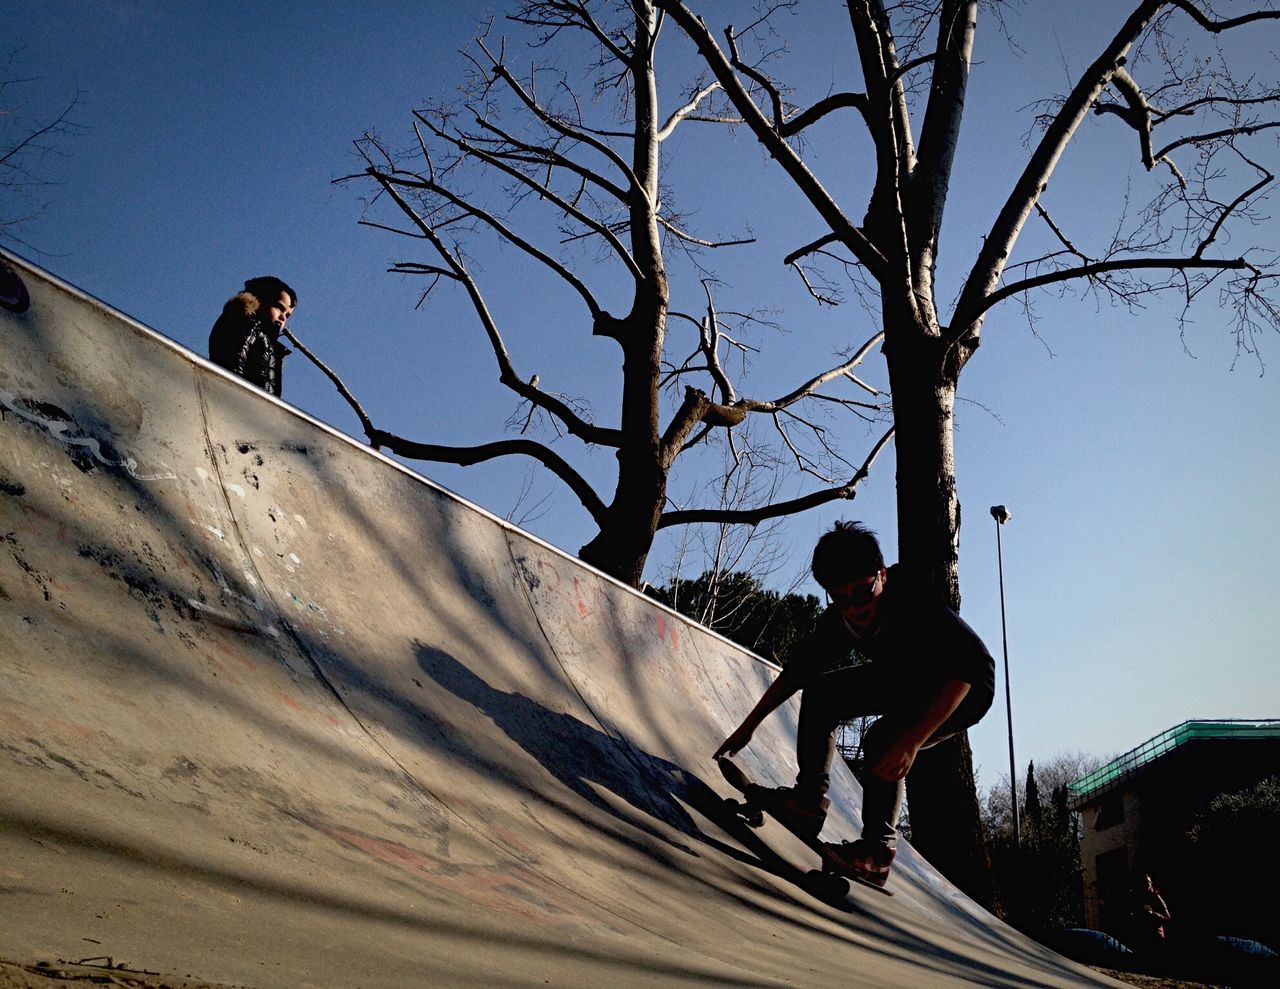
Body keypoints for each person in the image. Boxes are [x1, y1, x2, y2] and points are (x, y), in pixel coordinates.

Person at [714, 521, 995, 887]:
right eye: (842, 598)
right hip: (906, 678)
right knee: (823, 693)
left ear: (881, 575)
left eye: (864, 592)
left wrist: (911, 740)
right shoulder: (839, 621)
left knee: (884, 740)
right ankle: (807, 802)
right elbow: (796, 674)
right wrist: (748, 726)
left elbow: (969, 668)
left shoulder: (911, 596)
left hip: (963, 689)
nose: (856, 607)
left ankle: (877, 854)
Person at [208, 276, 296, 396]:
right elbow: (232, 364)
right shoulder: (242, 323)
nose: (282, 317)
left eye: (287, 315)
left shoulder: (269, 345)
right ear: (259, 300)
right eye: (279, 307)